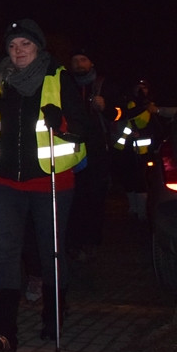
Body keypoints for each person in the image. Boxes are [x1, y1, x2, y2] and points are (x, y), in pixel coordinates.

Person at [0, 19, 87, 352]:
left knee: (50, 252)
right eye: (12, 46)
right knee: (7, 254)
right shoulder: (0, 81)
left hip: (51, 181)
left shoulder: (58, 79)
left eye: (25, 44)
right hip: (5, 181)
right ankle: (4, 330)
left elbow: (84, 130)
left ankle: (53, 315)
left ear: (38, 47)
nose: (18, 51)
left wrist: (64, 123)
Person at [65, 48, 117, 260]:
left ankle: (91, 241)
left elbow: (119, 112)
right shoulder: (65, 86)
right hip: (72, 149)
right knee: (74, 197)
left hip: (97, 150)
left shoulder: (104, 84)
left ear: (92, 62)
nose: (79, 64)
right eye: (75, 60)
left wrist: (106, 107)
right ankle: (74, 241)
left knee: (95, 196)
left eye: (83, 59)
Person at [111, 77, 162, 221]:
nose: (141, 90)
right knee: (128, 180)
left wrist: (143, 134)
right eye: (138, 87)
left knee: (141, 181)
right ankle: (133, 208)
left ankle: (142, 213)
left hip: (142, 151)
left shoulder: (150, 107)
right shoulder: (127, 104)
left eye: (144, 87)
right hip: (124, 148)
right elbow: (122, 119)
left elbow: (156, 129)